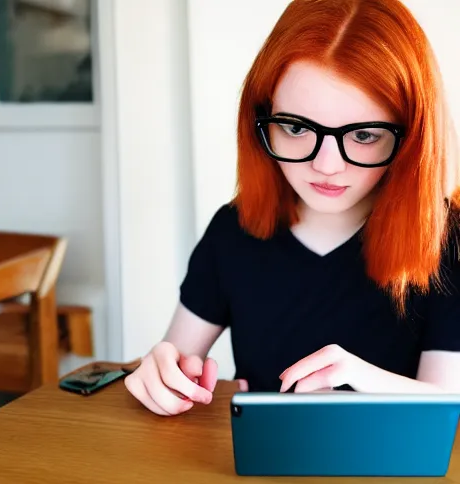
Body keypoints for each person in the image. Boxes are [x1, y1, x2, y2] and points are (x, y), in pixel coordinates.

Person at [126, 0, 460, 416]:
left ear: (410, 137)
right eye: (297, 128)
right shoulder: (234, 231)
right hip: (251, 474)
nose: (326, 165)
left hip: (398, 478)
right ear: (261, 116)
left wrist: (363, 379)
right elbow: (174, 360)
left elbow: (450, 404)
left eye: (365, 136)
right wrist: (158, 374)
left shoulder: (448, 238)